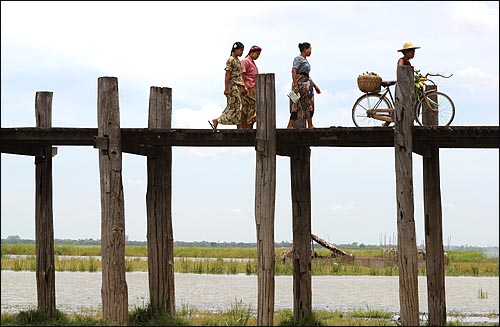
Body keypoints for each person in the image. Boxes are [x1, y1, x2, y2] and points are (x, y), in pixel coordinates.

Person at [209, 42, 247, 130]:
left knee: (237, 105)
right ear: (236, 49)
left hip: (238, 86)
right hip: (232, 86)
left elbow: (239, 76)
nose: (242, 52)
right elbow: (227, 75)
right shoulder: (230, 60)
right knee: (234, 105)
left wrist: (243, 87)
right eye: (241, 50)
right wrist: (226, 88)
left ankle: (238, 124)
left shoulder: (238, 61)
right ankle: (218, 120)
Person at [382, 42, 420, 126]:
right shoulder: (401, 60)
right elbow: (401, 70)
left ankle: (388, 122)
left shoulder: (408, 63)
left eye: (414, 51)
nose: (413, 53)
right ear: (406, 52)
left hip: (406, 87)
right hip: (402, 88)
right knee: (400, 105)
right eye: (412, 51)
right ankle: (387, 122)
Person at [287, 42, 321, 129]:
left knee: (308, 104)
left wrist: (315, 86)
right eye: (310, 49)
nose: (310, 51)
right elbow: (294, 71)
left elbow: (307, 76)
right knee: (297, 104)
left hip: (306, 84)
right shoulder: (298, 59)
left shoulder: (305, 60)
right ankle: (290, 125)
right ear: (305, 49)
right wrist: (295, 85)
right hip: (300, 84)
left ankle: (310, 124)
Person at [240, 45, 262, 129]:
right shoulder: (245, 61)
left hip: (253, 87)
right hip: (248, 87)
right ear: (251, 52)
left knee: (251, 107)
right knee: (250, 107)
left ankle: (248, 126)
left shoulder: (252, 62)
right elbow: (241, 74)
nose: (258, 56)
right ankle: (247, 126)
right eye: (257, 53)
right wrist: (244, 86)